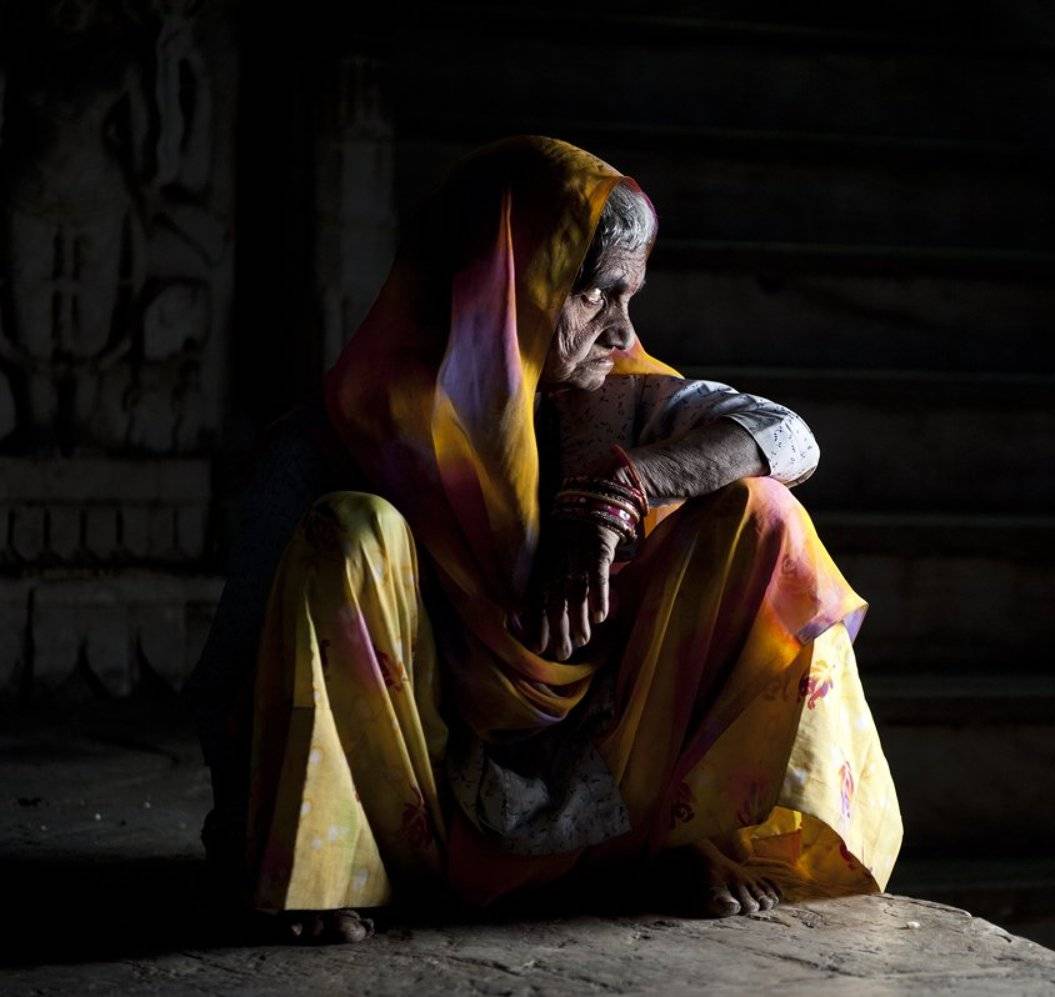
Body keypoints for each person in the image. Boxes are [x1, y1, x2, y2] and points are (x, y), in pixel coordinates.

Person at [184, 135, 902, 943]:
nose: (621, 330)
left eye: (632, 298)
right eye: (596, 294)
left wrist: (622, 492)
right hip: (424, 815)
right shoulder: (344, 434)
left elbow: (791, 435)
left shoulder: (624, 397)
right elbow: (233, 664)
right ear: (509, 286)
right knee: (349, 532)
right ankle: (335, 873)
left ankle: (675, 842)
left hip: (612, 799)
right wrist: (254, 839)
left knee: (762, 514)